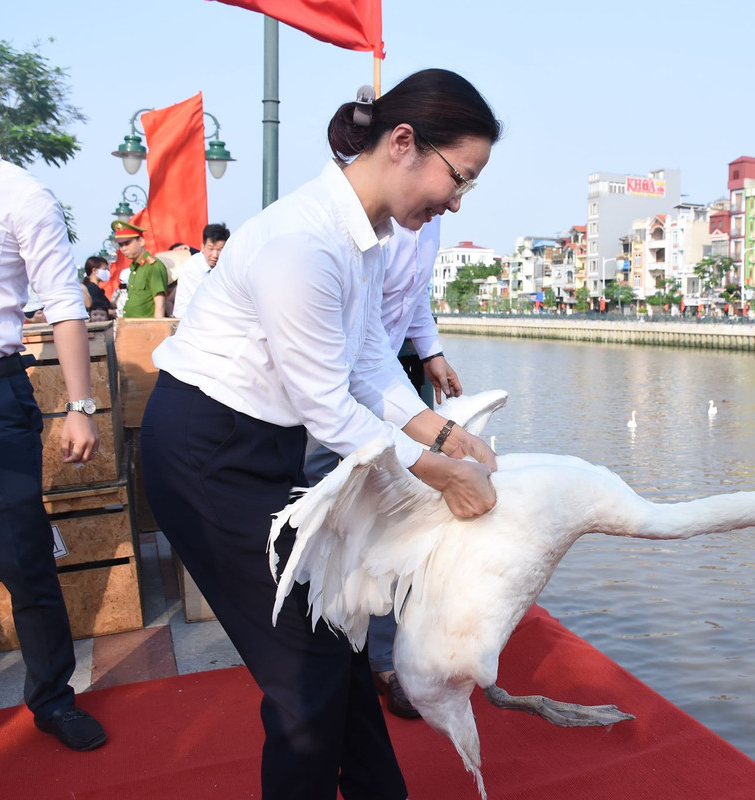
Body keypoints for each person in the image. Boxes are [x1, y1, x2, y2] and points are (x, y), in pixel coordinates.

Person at [140, 68, 501, 800]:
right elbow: (331, 409)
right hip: (205, 456)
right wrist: (439, 472)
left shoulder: (363, 237)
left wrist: (442, 434)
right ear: (404, 143)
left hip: (258, 449)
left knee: (338, 640)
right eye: (457, 178)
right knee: (303, 682)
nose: (455, 203)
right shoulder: (303, 244)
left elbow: (369, 359)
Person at [0, 81, 106, 751]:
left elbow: (63, 302)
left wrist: (80, 406)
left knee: (24, 559)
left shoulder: (19, 194)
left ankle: (51, 697)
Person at [302, 214, 460, 719]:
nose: (455, 202)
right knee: (327, 518)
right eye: (457, 179)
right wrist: (434, 455)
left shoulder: (428, 222)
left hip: (383, 379)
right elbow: (335, 371)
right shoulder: (343, 229)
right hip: (329, 392)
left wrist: (430, 350)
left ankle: (387, 659)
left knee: (395, 521)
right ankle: (327, 651)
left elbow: (409, 302)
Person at [171, 222, 230, 319]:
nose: (215, 255)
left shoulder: (223, 266)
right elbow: (208, 299)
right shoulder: (193, 267)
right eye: (210, 248)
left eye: (220, 249)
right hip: (185, 321)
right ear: (202, 247)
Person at [111, 220, 169, 318]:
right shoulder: (135, 269)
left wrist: (157, 329)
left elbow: (160, 303)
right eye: (121, 245)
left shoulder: (153, 266)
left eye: (127, 243)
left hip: (146, 329)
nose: (123, 248)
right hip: (131, 327)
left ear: (141, 241)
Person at [82, 255, 115, 320]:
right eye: (105, 269)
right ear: (94, 271)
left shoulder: (96, 288)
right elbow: (97, 309)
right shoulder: (92, 289)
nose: (107, 272)